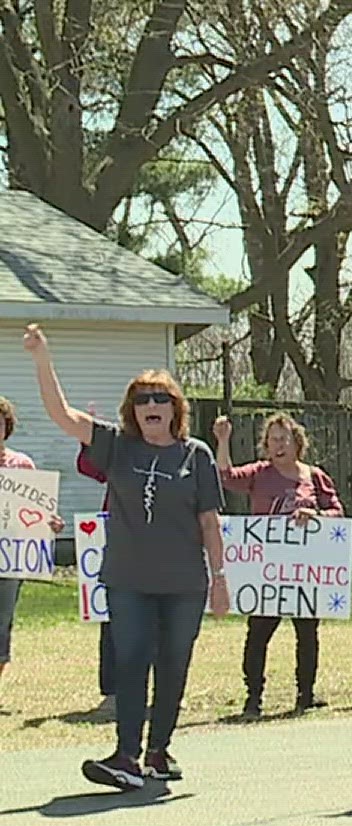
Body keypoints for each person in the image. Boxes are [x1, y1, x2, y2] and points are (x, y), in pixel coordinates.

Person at [25, 325, 229, 790]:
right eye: (142, 400)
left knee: (174, 664)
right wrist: (42, 359)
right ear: (131, 411)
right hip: (128, 580)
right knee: (132, 660)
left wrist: (219, 578)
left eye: (161, 399)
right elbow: (62, 415)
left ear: (176, 408)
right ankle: (125, 756)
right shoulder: (116, 445)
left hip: (184, 584)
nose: (151, 407)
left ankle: (158, 751)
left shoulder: (194, 456)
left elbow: (209, 522)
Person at [213, 412, 346, 719]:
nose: (278, 445)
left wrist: (317, 517)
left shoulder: (314, 476)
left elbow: (337, 511)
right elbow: (226, 478)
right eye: (272, 439)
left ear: (297, 442)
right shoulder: (259, 473)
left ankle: (306, 694)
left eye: (283, 438)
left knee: (308, 632)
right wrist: (222, 441)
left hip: (304, 571)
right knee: (258, 632)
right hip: (267, 574)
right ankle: (254, 696)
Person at [0, 397, 64, 696]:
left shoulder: (22, 465)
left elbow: (37, 510)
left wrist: (49, 524)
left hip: (11, 560)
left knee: (2, 623)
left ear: (7, 427)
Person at [75, 444, 114, 713]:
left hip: (161, 543)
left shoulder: (181, 454)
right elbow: (88, 466)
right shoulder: (120, 452)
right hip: (117, 540)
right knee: (112, 619)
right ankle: (112, 691)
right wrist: (88, 441)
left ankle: (164, 691)